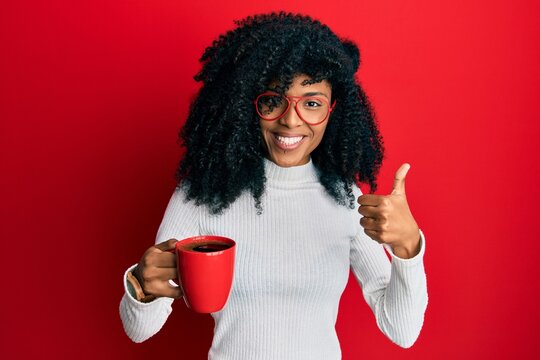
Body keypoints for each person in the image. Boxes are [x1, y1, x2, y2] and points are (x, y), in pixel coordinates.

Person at [119, 12, 428, 359]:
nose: (291, 120)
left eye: (311, 103)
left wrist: (409, 249)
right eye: (272, 100)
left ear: (333, 111)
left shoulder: (346, 200)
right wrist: (142, 287)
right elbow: (139, 330)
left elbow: (401, 329)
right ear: (246, 104)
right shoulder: (203, 195)